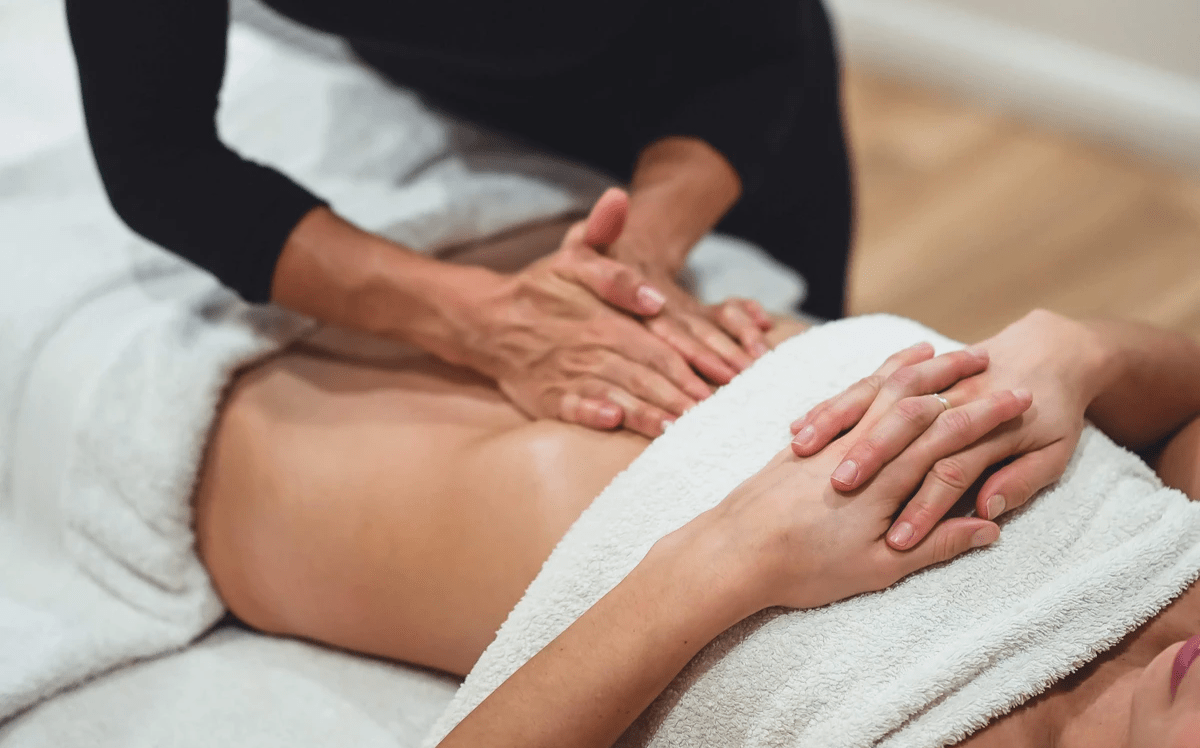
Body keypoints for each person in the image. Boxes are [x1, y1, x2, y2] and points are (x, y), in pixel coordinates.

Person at [193, 199, 1200, 748]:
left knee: (113, 310)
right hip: (620, 297)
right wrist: (1072, 354)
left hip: (368, 477)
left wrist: (736, 549)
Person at [65, 0, 853, 440]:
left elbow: (749, 62)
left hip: (709, 117)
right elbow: (156, 151)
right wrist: (484, 322)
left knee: (806, 395)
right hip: (442, 102)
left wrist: (635, 260)